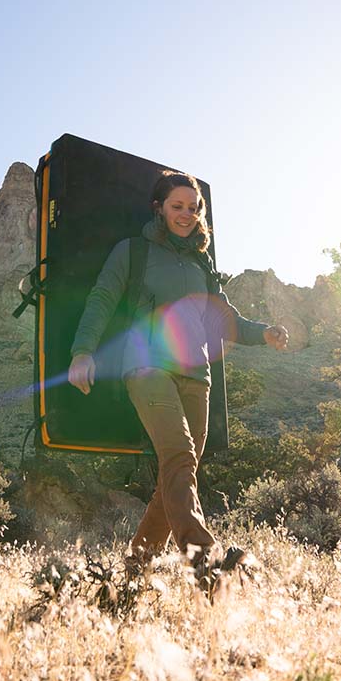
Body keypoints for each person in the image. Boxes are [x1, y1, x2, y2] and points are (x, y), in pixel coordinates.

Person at [67, 169, 288, 579]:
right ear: (159, 208)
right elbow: (102, 298)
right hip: (147, 366)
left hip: (196, 375)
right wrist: (82, 351)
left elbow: (226, 319)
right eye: (177, 206)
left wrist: (265, 333)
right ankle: (205, 560)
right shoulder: (133, 251)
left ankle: (134, 571)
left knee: (178, 472)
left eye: (192, 208)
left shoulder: (201, 263)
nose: (185, 214)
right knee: (179, 457)